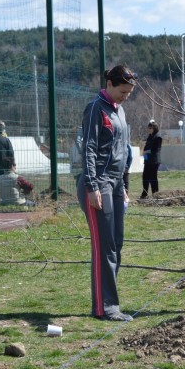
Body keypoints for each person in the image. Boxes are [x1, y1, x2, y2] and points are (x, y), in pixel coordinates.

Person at [76, 65, 134, 321]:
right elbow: (89, 148)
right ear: (109, 84)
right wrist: (92, 186)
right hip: (98, 184)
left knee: (116, 244)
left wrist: (124, 187)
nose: (125, 97)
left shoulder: (119, 111)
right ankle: (105, 308)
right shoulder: (96, 108)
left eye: (129, 93)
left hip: (116, 184)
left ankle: (106, 301)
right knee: (104, 247)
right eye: (122, 91)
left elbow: (122, 152)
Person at [140, 120, 162, 199]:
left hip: (154, 161)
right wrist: (145, 158)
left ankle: (155, 194)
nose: (149, 129)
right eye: (148, 128)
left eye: (150, 128)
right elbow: (145, 149)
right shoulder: (149, 137)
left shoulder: (158, 137)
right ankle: (144, 193)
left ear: (154, 128)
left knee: (153, 178)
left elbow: (155, 149)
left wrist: (146, 151)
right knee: (145, 177)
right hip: (148, 161)